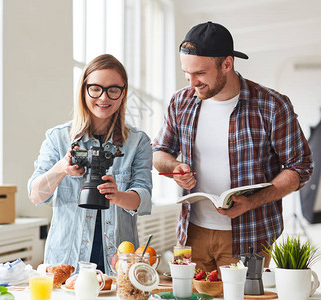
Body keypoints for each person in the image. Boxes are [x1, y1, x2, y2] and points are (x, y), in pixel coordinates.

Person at [152, 21, 313, 272]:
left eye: (200, 73)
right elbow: (159, 152)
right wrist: (175, 167)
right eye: (187, 72)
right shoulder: (180, 101)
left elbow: (301, 167)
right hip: (191, 233)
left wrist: (251, 201)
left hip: (250, 237)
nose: (191, 81)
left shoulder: (272, 105)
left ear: (227, 64)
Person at [28, 54, 153, 274]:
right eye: (95, 88)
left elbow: (143, 199)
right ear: (84, 89)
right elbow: (36, 195)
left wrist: (118, 195)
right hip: (66, 260)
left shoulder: (137, 141)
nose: (104, 98)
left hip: (118, 261)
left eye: (113, 90)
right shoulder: (58, 138)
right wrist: (61, 168)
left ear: (123, 93)